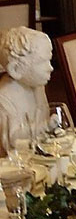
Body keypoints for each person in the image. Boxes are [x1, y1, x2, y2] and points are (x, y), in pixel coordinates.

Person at [0, 27, 52, 157]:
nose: (50, 68)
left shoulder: (37, 85)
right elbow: (11, 141)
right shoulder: (5, 97)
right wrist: (45, 127)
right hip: (14, 163)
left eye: (49, 60)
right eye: (42, 62)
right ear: (16, 69)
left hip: (39, 155)